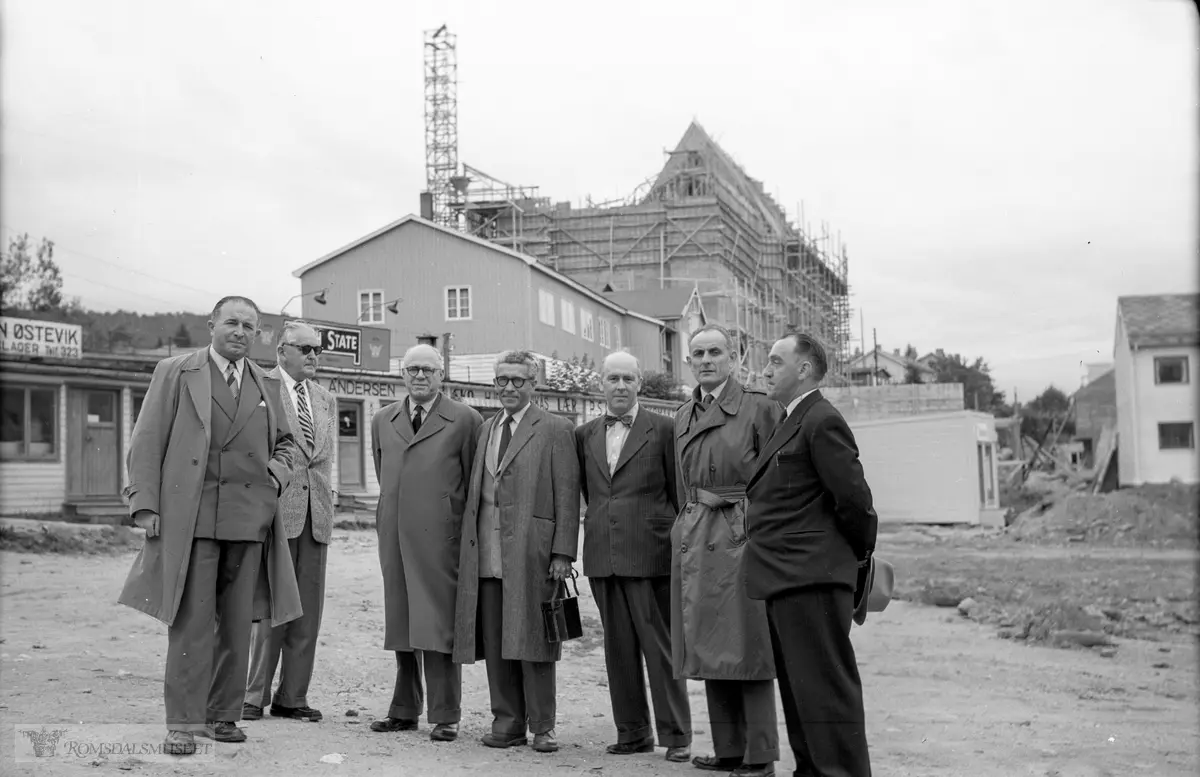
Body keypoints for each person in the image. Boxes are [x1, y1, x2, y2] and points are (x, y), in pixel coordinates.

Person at [119, 295, 301, 756]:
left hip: (248, 522)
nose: (240, 332)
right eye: (232, 323)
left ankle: (223, 716)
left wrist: (274, 479)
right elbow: (146, 439)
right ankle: (182, 722)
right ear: (211, 325)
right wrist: (145, 504)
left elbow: (287, 444)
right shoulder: (176, 372)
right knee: (191, 624)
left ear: (258, 334)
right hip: (191, 521)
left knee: (238, 625)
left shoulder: (266, 383)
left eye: (249, 326)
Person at [745, 333, 878, 777]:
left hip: (812, 580)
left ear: (804, 370)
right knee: (802, 695)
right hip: (787, 579)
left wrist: (852, 559)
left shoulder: (821, 419)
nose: (765, 369)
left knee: (825, 693)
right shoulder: (792, 419)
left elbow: (855, 501)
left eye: (775, 361)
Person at [452, 350, 580, 754]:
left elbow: (568, 495)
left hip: (533, 552)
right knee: (496, 641)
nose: (509, 387)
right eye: (502, 380)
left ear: (533, 383)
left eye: (518, 380)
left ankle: (543, 727)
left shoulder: (556, 428)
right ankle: (506, 722)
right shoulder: (486, 428)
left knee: (536, 642)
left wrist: (562, 553)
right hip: (488, 553)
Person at [671, 324, 782, 777]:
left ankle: (760, 756)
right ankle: (729, 749)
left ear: (734, 357)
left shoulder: (760, 408)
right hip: (698, 534)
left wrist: (755, 527)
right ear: (688, 362)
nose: (706, 360)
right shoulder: (683, 414)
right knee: (709, 645)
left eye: (715, 352)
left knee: (749, 647)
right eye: (697, 353)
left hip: (742, 534)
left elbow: (779, 479)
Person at [575, 351, 692, 763]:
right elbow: (593, 495)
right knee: (618, 648)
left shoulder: (664, 429)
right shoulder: (585, 434)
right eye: (612, 379)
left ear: (639, 383)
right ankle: (633, 732)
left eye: (627, 378)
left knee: (659, 647)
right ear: (601, 384)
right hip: (602, 555)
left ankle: (676, 735)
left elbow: (680, 496)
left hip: (651, 554)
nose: (620, 386)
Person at [369, 344, 482, 742]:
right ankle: (404, 710)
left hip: (442, 539)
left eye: (428, 370)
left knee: (438, 625)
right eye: (412, 369)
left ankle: (446, 714)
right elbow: (385, 474)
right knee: (401, 623)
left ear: (442, 375)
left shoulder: (466, 419)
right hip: (395, 536)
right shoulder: (383, 418)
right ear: (402, 374)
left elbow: (472, 483)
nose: (420, 376)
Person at [244, 321, 337, 723]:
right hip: (275, 515)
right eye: (305, 349)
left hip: (316, 517)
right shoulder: (258, 387)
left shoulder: (325, 397)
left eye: (317, 349)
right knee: (269, 607)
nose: (314, 356)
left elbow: (323, 459)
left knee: (308, 612)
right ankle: (252, 695)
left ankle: (292, 696)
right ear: (282, 350)